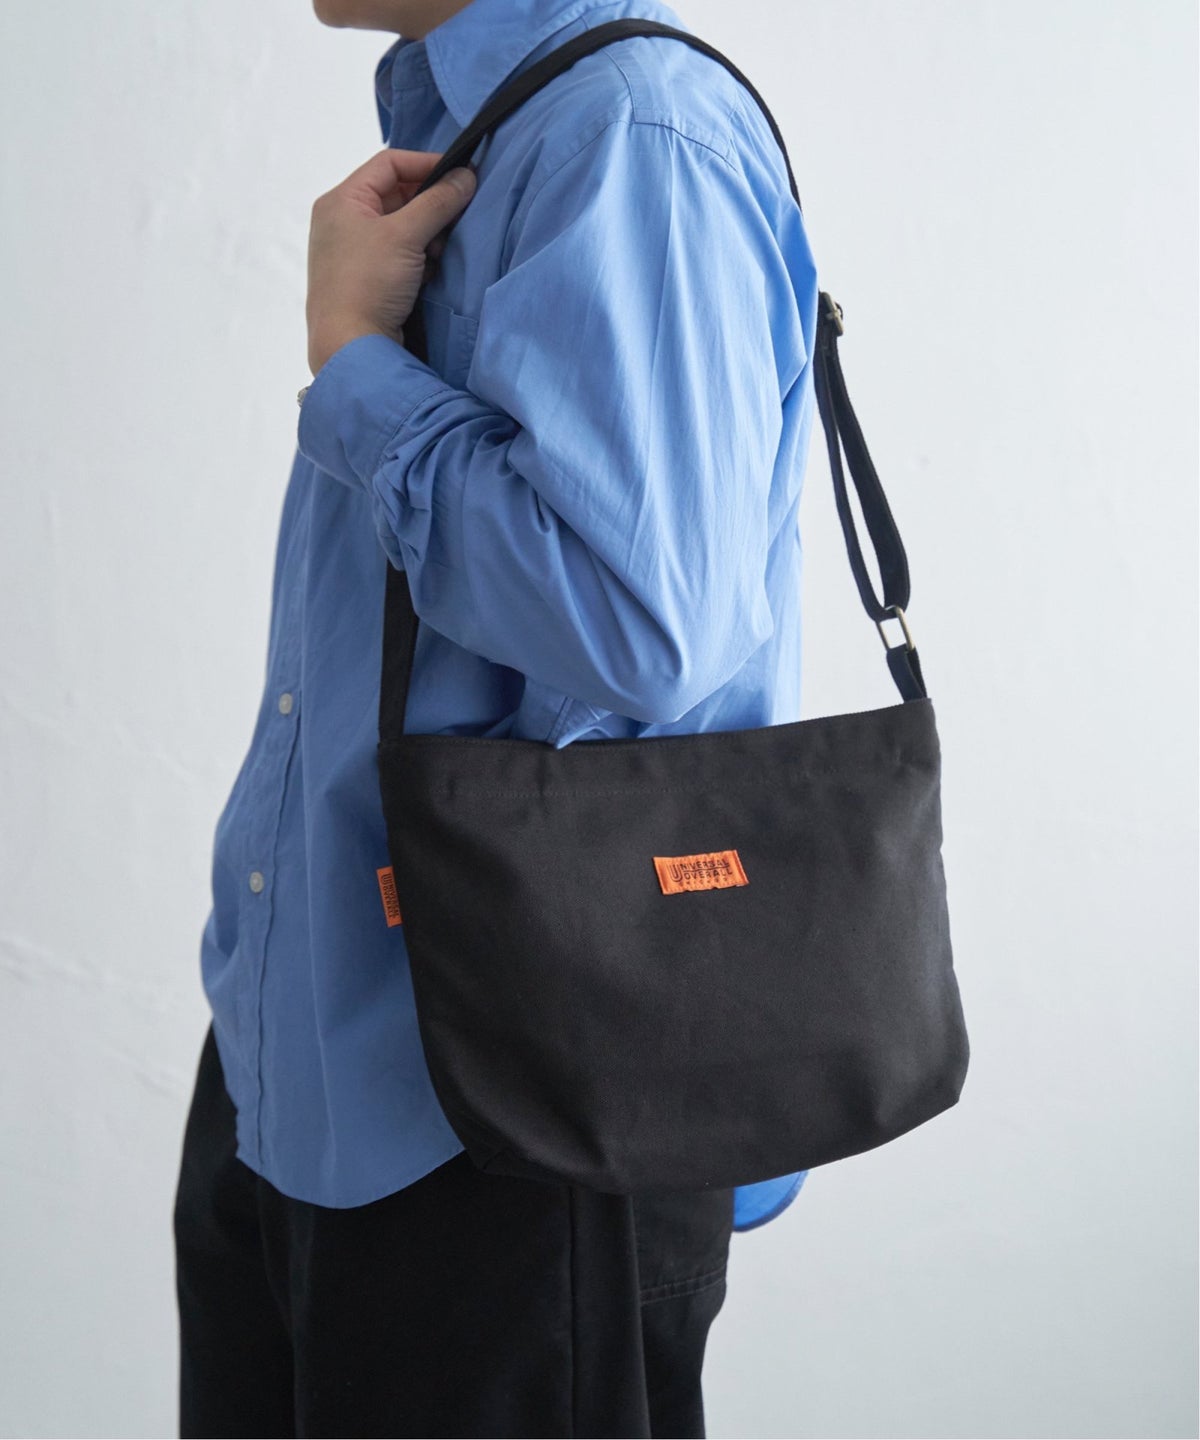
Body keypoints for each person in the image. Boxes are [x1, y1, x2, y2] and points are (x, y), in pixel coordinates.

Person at [171, 0, 820, 1434]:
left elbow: (642, 624)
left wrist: (356, 359)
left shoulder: (630, 135)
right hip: (312, 1040)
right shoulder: (512, 128)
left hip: (512, 1105)